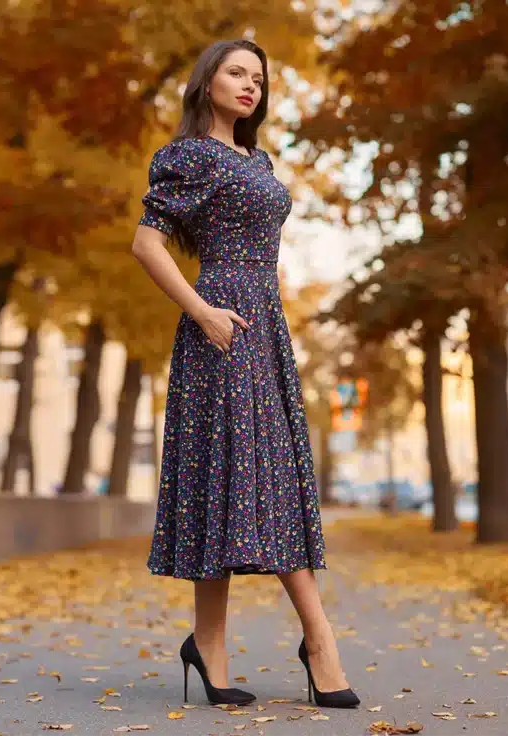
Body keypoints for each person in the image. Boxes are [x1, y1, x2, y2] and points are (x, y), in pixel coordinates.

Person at [131, 38, 359, 710]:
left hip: (266, 326)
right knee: (250, 479)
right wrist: (204, 313)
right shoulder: (188, 157)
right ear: (207, 82)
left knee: (255, 480)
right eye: (237, 72)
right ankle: (320, 642)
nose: (250, 85)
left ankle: (209, 644)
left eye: (259, 78)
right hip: (222, 330)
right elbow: (146, 243)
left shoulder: (254, 158)